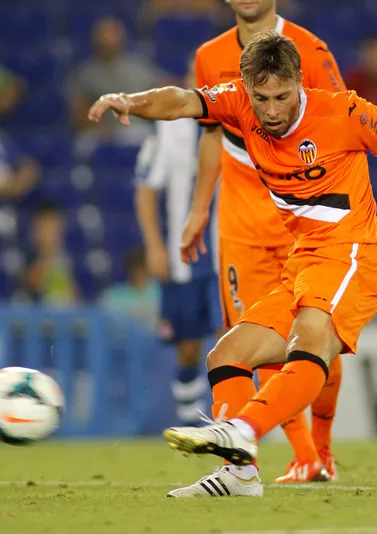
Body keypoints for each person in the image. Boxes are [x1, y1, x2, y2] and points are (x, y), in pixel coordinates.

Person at [87, 31, 377, 498]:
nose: (272, 110)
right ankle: (239, 475)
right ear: (246, 87)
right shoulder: (235, 101)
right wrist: (129, 100)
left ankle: (245, 431)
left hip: (355, 255)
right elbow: (180, 102)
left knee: (309, 338)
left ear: (299, 80)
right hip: (304, 262)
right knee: (227, 355)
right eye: (262, 98)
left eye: (282, 96)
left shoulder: (344, 112)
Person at [183, 0, 346, 485]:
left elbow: (342, 126)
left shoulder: (311, 52)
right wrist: (198, 209)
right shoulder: (209, 55)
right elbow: (211, 135)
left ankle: (320, 450)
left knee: (319, 338)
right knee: (257, 341)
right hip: (241, 218)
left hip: (301, 215)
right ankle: (304, 459)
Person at [134, 57, 222, 427]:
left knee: (232, 339)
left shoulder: (241, 125)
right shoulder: (167, 130)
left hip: (229, 255)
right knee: (188, 347)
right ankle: (190, 423)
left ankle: (233, 424)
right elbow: (146, 189)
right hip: (183, 257)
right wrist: (154, 245)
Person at [67, 16, 167, 153]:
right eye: (103, 35)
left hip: (136, 129)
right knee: (83, 144)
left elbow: (164, 88)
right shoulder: (86, 73)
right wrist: (99, 127)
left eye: (112, 34)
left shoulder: (138, 66)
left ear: (121, 38)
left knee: (155, 141)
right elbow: (78, 110)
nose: (108, 40)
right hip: (102, 131)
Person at [23, 200, 78, 306]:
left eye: (55, 228)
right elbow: (30, 283)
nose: (51, 233)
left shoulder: (64, 258)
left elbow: (73, 295)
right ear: (35, 230)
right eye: (46, 228)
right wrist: (48, 256)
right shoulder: (28, 257)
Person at [100, 247, 161, 331]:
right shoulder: (112, 296)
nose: (138, 273)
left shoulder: (162, 293)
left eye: (142, 268)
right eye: (135, 268)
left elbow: (168, 327)